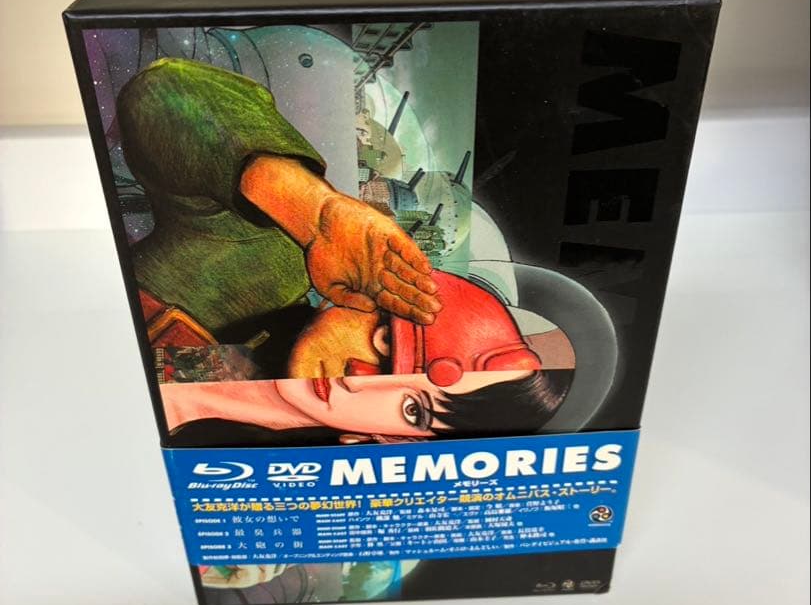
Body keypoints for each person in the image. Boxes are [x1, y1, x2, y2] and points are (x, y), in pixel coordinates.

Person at [117, 58, 573, 444]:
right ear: (372, 298)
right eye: (385, 342)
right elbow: (164, 92)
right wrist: (315, 211)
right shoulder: (267, 266)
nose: (356, 376)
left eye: (413, 409)